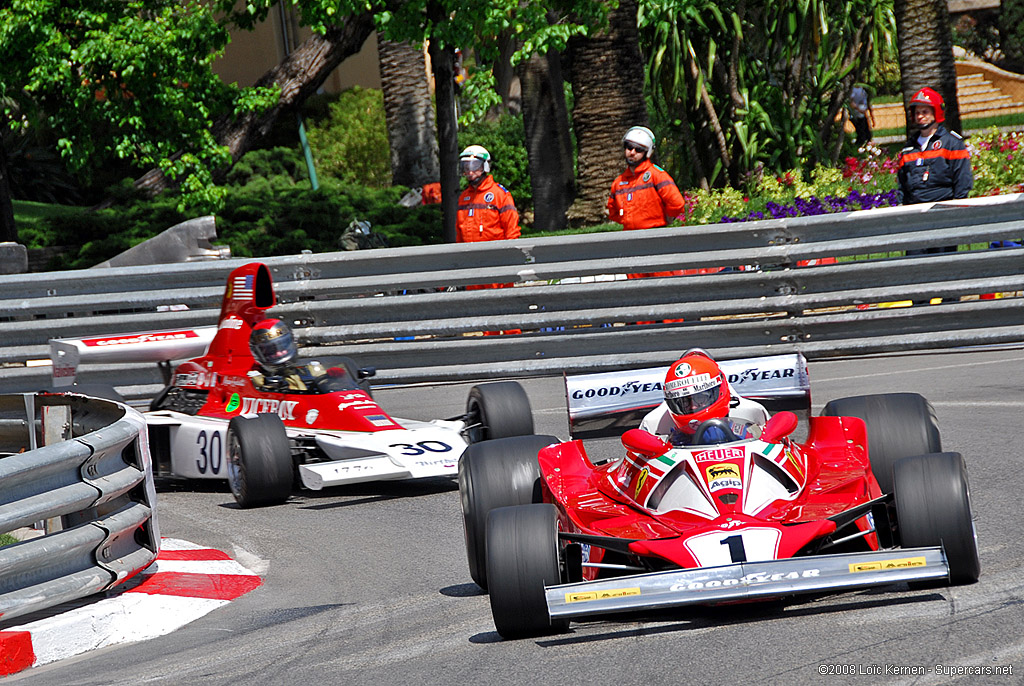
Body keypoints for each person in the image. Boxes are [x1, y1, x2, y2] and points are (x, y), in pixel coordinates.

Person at [898, 87, 973, 258]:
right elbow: (902, 183)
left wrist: (954, 211)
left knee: (943, 263)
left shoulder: (952, 143)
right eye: (917, 112)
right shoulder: (909, 148)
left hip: (943, 214)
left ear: (936, 112)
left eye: (925, 111)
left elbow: (962, 181)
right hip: (915, 216)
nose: (920, 116)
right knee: (914, 264)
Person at [640, 349, 769, 446]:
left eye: (700, 398)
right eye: (684, 402)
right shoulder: (654, 423)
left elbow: (777, 447)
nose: (693, 406)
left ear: (719, 391)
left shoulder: (753, 412)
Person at [606, 126, 686, 231]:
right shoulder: (619, 182)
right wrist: (626, 219)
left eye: (638, 149)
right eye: (629, 147)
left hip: (655, 234)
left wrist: (663, 220)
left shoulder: (657, 175)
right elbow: (613, 211)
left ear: (647, 153)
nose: (632, 152)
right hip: (629, 236)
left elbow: (677, 204)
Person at [456, 145, 520, 243]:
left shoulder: (499, 194)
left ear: (485, 167)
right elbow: (459, 234)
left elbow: (512, 231)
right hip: (469, 254)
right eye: (466, 167)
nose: (470, 172)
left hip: (495, 254)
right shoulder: (464, 197)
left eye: (475, 166)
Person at [248, 318, 327, 392]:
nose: (279, 353)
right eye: (271, 351)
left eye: (282, 346)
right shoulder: (258, 383)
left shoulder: (311, 371)